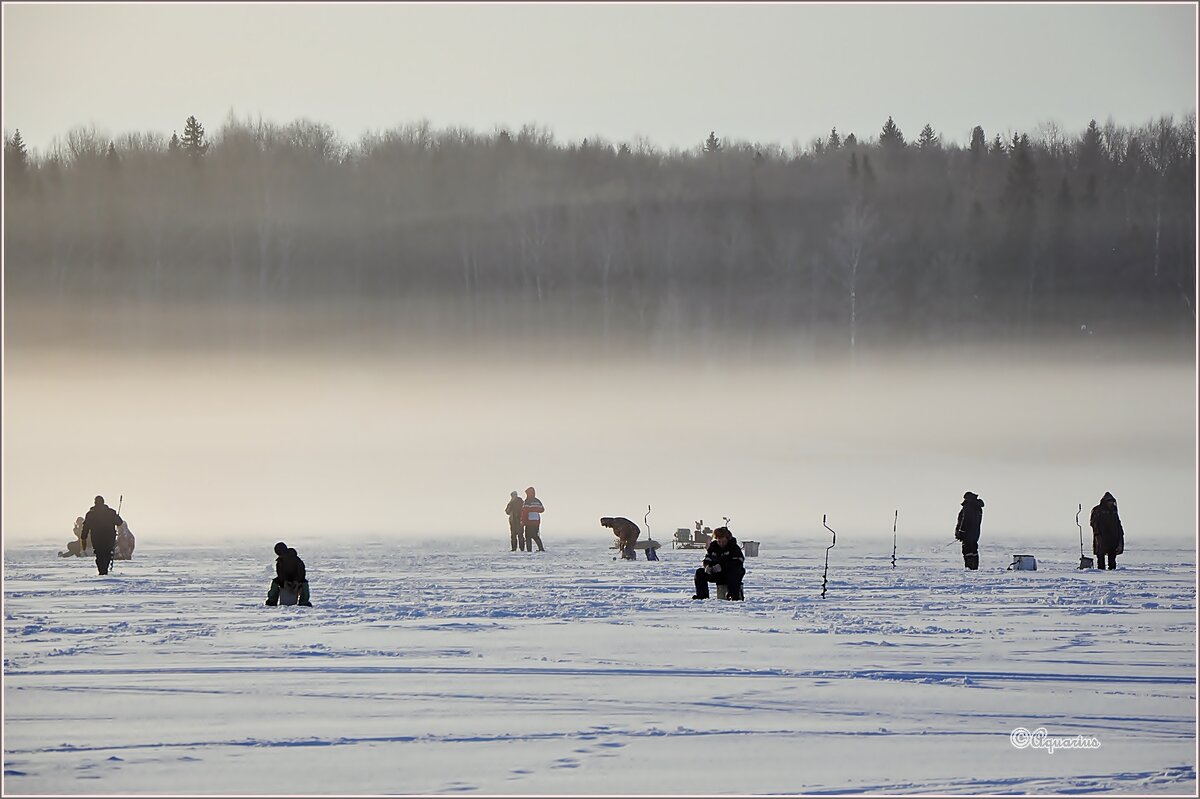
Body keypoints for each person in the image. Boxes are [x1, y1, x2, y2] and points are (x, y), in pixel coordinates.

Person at [692, 526, 745, 600]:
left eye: (723, 541)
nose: (721, 543)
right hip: (717, 573)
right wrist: (707, 566)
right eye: (719, 541)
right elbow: (707, 559)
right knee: (700, 572)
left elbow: (738, 562)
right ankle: (702, 596)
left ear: (727, 539)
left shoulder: (734, 547)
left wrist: (722, 567)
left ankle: (734, 596)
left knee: (734, 573)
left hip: (731, 574)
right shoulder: (713, 547)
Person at [80, 495, 123, 575]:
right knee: (107, 553)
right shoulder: (110, 512)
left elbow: (86, 527)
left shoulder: (90, 514)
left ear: (95, 503)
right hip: (109, 537)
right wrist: (116, 516)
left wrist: (83, 537)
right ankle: (104, 570)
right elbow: (119, 522)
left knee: (99, 554)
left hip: (96, 538)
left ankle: (101, 570)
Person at [266, 542, 312, 606]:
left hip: (297, 580)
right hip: (285, 581)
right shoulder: (280, 562)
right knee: (275, 582)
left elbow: (301, 572)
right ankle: (272, 601)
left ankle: (304, 602)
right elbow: (280, 574)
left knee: (304, 584)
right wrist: (285, 582)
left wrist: (296, 581)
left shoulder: (296, 560)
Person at [1090, 491, 1125, 570]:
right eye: (1109, 501)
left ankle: (1112, 571)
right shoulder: (1097, 510)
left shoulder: (1114, 511)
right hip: (1101, 536)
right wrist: (1097, 533)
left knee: (1112, 556)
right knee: (1101, 555)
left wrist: (1120, 533)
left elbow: (1117, 522)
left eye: (1112, 501)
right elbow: (1093, 522)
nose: (1111, 503)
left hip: (1113, 537)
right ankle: (1101, 572)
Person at [954, 491, 985, 570]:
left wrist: (961, 532)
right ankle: (974, 567)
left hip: (967, 534)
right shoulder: (978, 507)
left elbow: (965, 520)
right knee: (973, 551)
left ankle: (970, 567)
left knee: (967, 551)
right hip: (975, 534)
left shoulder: (969, 507)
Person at [522, 486, 545, 552]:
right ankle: (541, 548)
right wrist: (535, 510)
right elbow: (542, 510)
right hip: (536, 521)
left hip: (529, 521)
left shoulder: (527, 501)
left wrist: (523, 521)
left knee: (528, 536)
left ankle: (529, 550)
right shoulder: (537, 501)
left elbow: (524, 512)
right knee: (535, 536)